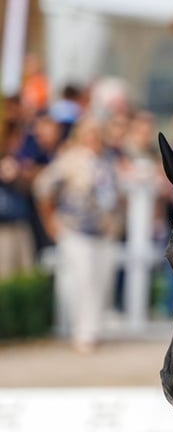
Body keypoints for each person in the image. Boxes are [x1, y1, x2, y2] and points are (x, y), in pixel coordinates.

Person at [33, 117, 124, 353]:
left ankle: (95, 328)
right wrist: (50, 222)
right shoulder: (69, 160)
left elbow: (117, 193)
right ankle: (83, 332)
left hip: (104, 230)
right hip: (76, 228)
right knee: (82, 281)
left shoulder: (108, 161)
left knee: (101, 281)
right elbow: (43, 188)